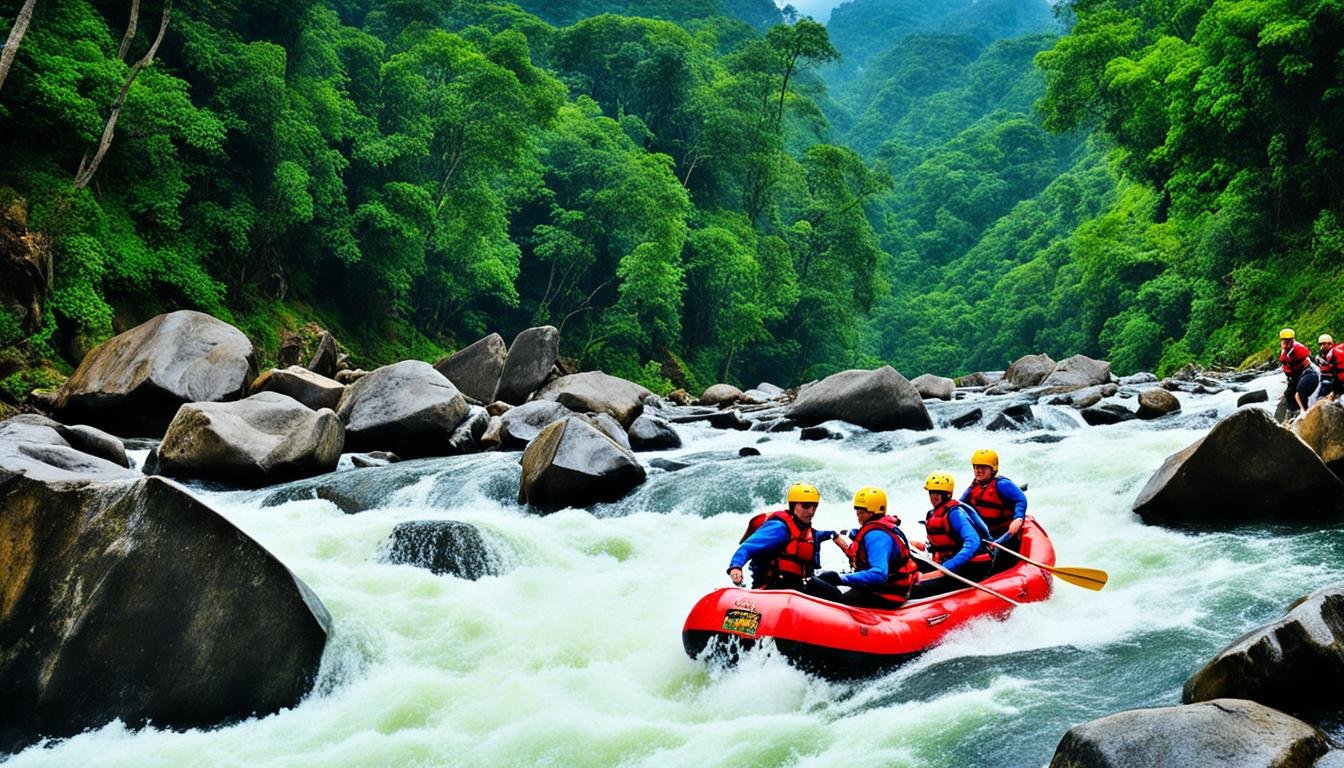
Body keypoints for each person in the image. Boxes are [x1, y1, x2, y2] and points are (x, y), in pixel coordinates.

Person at [810, 486, 920, 608]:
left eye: (861, 510)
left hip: (887, 594)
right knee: (825, 579)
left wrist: (842, 579)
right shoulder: (877, 529)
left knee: (832, 599)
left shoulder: (877, 536)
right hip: (881, 588)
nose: (857, 513)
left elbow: (879, 573)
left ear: (873, 512)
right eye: (857, 509)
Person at [727, 482, 835, 590]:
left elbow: (819, 535)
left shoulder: (805, 529)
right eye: (805, 506)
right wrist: (736, 567)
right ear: (793, 505)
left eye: (814, 506)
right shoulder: (779, 528)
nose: (811, 511)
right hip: (772, 587)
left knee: (834, 588)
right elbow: (747, 548)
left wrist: (835, 535)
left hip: (796, 585)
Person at [909, 472, 993, 599]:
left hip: (972, 565)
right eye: (931, 493)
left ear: (947, 494)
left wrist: (949, 566)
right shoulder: (932, 514)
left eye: (938, 493)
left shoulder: (956, 514)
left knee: (917, 587)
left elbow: (973, 542)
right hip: (949, 562)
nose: (934, 497)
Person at [960, 449, 1028, 557]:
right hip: (985, 531)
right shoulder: (975, 485)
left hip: (1004, 531)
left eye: (983, 467)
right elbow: (961, 504)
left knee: (996, 551)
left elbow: (1021, 499)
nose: (979, 470)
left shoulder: (1002, 484)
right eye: (976, 467)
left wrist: (1018, 518)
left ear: (993, 469)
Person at [1279, 328, 1318, 416]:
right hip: (1295, 374)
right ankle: (1295, 411)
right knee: (1289, 393)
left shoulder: (1299, 349)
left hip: (1305, 372)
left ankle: (1303, 410)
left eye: (1288, 340)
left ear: (1292, 340)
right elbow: (1285, 362)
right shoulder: (1285, 350)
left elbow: (1307, 363)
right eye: (1283, 340)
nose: (1285, 343)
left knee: (1298, 391)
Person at [1318, 334, 1342, 402]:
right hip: (1326, 380)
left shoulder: (1337, 353)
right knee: (1319, 397)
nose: (1322, 346)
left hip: (1336, 380)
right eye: (1320, 344)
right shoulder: (1319, 357)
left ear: (1330, 344)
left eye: (1324, 344)